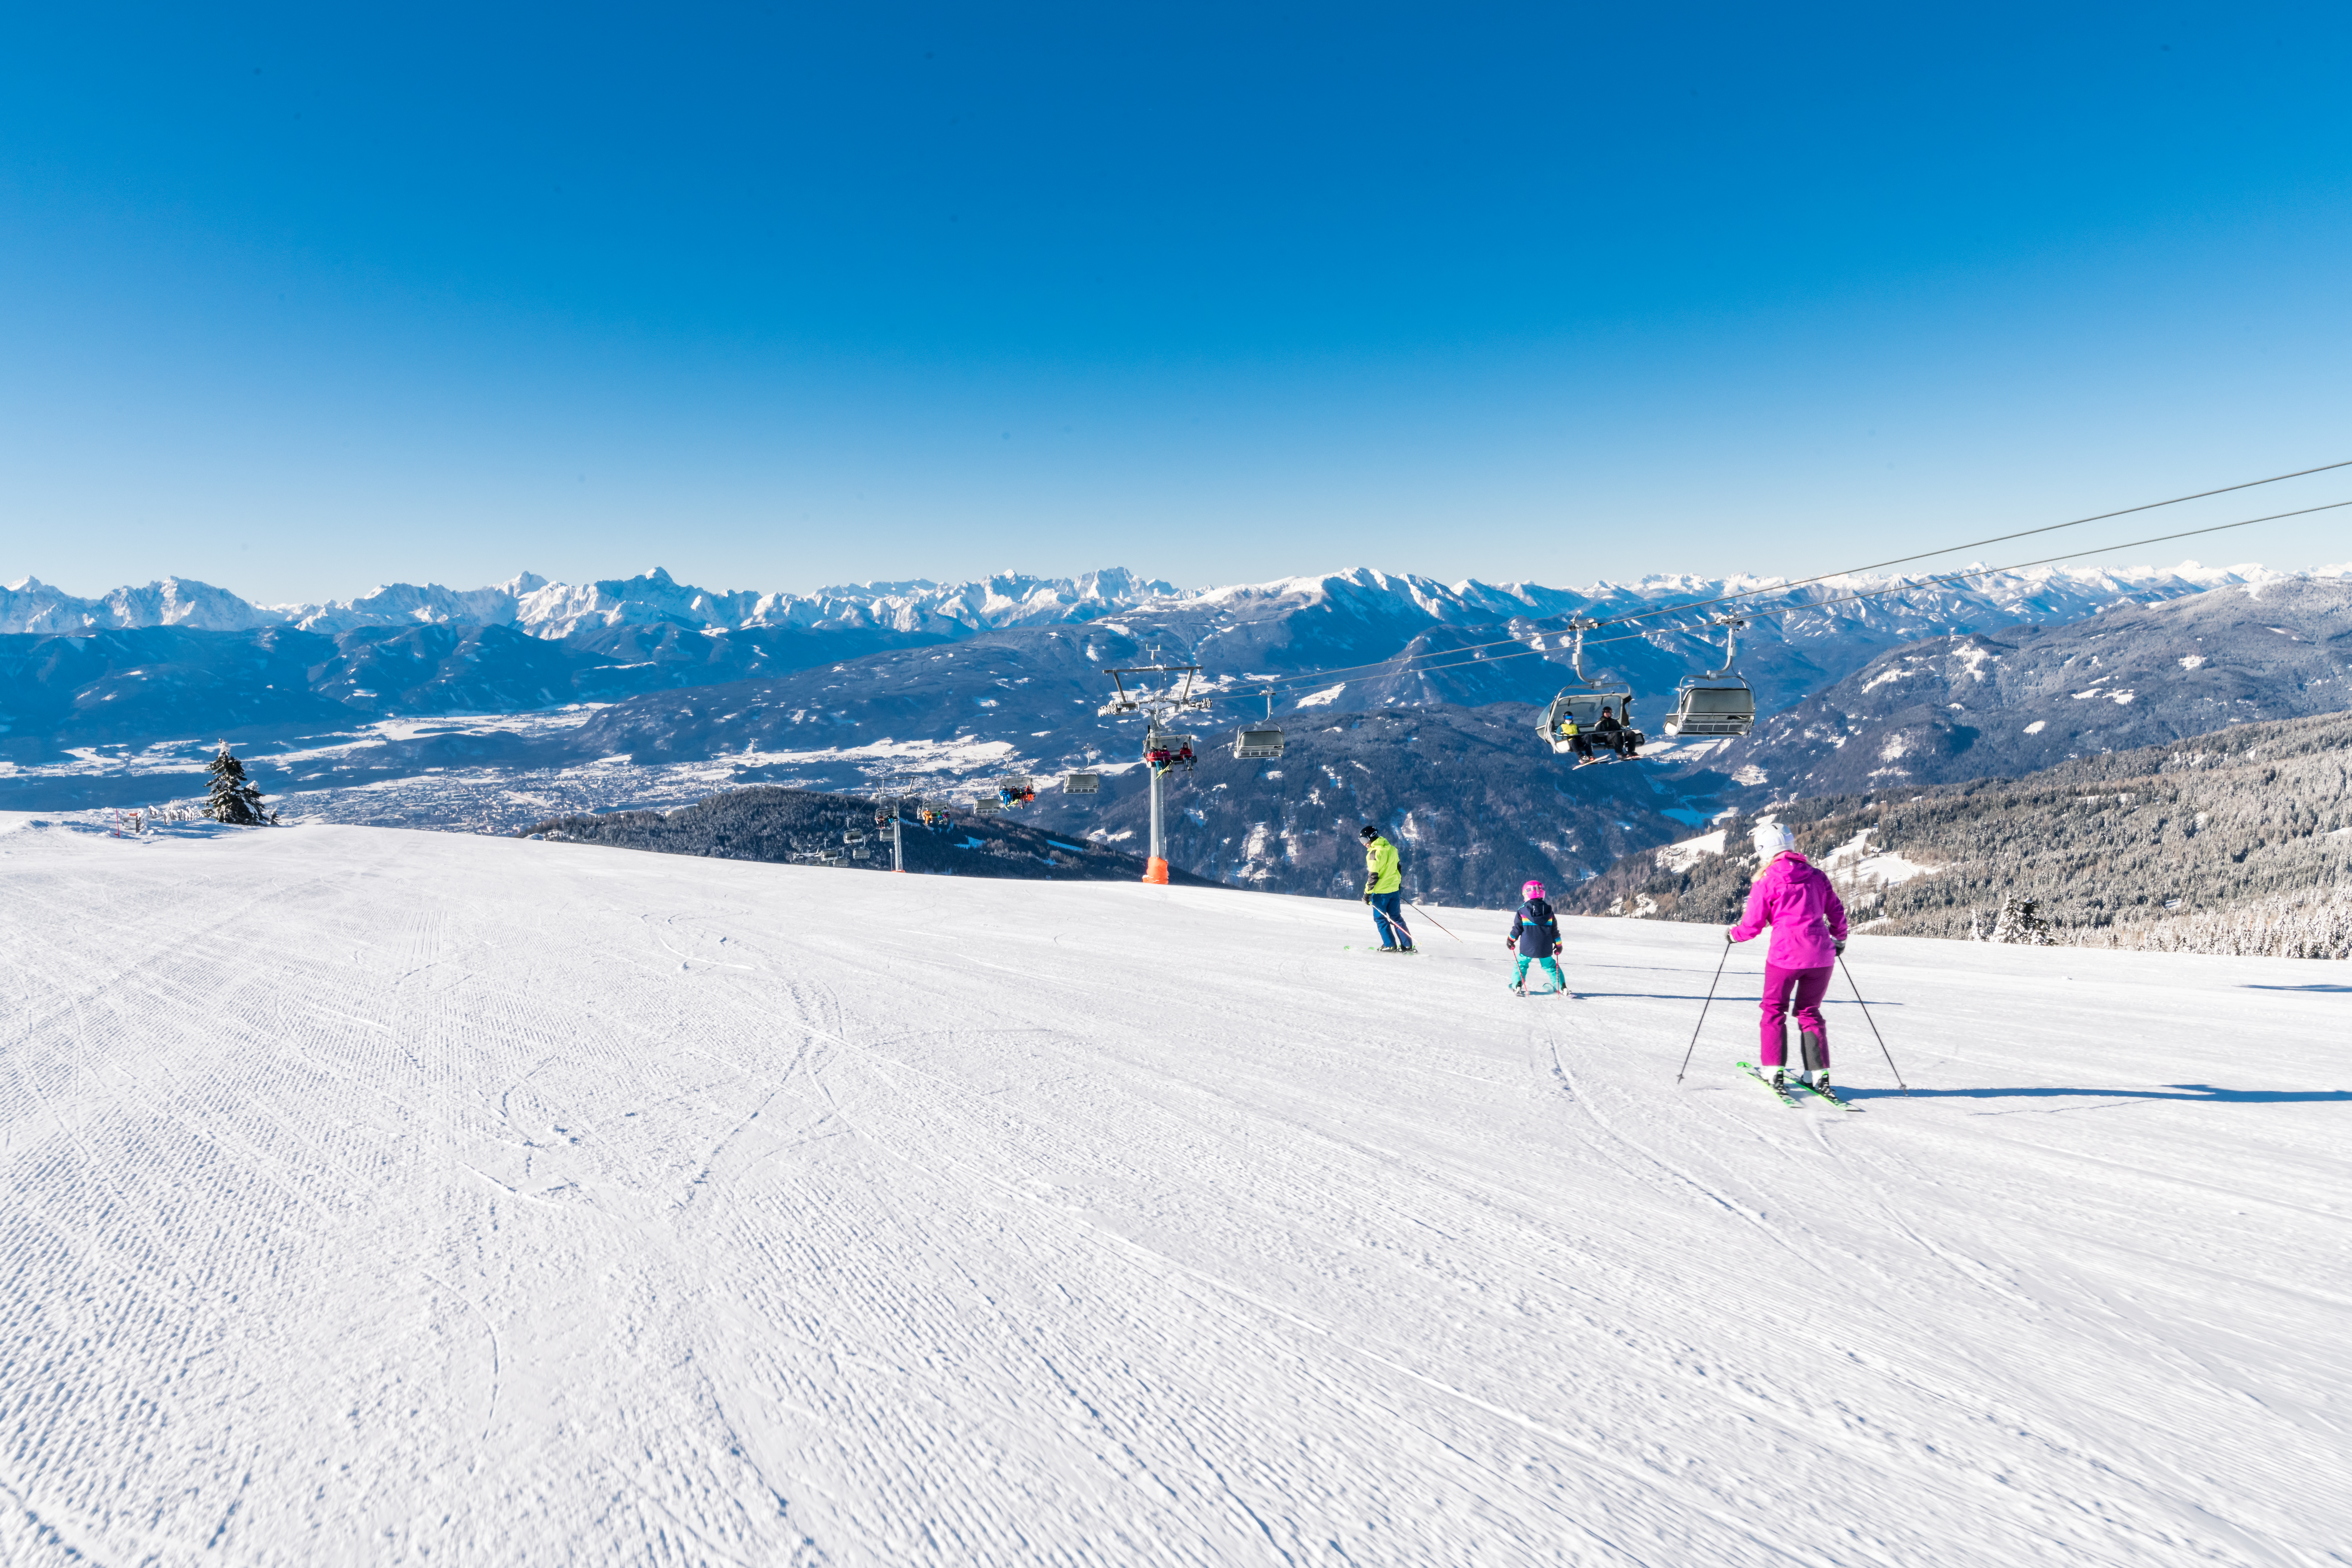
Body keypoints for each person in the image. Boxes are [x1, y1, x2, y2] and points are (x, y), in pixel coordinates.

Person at [1727, 822, 1849, 1096]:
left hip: (1784, 958)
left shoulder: (1766, 880)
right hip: (1821, 957)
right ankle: (1817, 1076)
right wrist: (1838, 940)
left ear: (1762, 851)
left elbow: (1752, 927)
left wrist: (1733, 935)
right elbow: (1837, 912)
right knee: (1810, 1013)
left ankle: (1773, 1071)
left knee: (1774, 1011)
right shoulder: (1817, 876)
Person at [1506, 879, 1570, 994]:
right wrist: (1559, 945)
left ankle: (1518, 985)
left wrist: (1511, 940)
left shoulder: (1522, 911)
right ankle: (1562, 988)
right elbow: (1555, 931)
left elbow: (1517, 929)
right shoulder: (1549, 911)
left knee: (1521, 964)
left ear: (1526, 894)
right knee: (1551, 967)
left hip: (1527, 948)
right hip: (1545, 948)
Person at [1359, 824, 1414, 952]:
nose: (1364, 844)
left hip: (1381, 894)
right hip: (1394, 891)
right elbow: (1398, 869)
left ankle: (1390, 945)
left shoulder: (1374, 854)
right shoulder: (1392, 849)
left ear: (1371, 838)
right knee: (1397, 918)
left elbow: (1373, 877)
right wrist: (1398, 887)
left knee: (1380, 918)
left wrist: (1367, 894)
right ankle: (1407, 946)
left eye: (1364, 840)